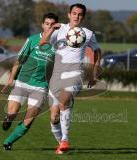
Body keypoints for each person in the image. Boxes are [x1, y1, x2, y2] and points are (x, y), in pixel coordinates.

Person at [40, 3, 101, 154]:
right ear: (69, 15)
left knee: (63, 101)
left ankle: (65, 139)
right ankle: (61, 144)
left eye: (80, 14)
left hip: (75, 74)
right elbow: (42, 44)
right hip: (56, 75)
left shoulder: (88, 33)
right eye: (74, 13)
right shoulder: (59, 29)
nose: (77, 16)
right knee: (54, 117)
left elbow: (97, 51)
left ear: (83, 17)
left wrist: (94, 74)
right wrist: (52, 29)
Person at [1, 13, 58, 151]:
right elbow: (19, 59)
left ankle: (8, 142)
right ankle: (8, 118)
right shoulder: (32, 40)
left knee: (29, 120)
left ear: (57, 27)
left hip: (40, 87)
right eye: (47, 24)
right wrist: (10, 78)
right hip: (22, 82)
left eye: (53, 25)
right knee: (12, 113)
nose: (49, 27)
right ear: (42, 25)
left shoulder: (58, 45)